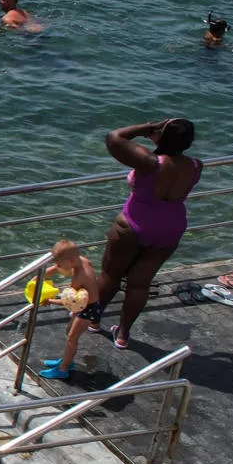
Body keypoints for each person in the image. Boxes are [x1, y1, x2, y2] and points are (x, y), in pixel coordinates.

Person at [90, 119, 201, 349]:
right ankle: (123, 335)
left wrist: (147, 127)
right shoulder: (196, 165)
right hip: (170, 227)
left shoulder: (150, 162)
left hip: (135, 224)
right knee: (140, 284)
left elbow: (114, 137)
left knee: (110, 276)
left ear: (162, 136)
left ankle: (93, 320)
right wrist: (161, 136)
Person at [38, 238, 103, 380]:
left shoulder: (79, 277)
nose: (57, 266)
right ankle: (67, 360)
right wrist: (39, 277)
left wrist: (49, 301)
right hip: (83, 303)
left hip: (88, 308)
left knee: (72, 338)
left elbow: (68, 301)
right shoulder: (82, 260)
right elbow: (58, 269)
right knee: (69, 331)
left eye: (59, 263)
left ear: (71, 261)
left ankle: (63, 369)